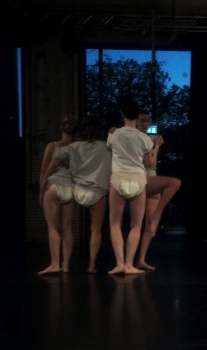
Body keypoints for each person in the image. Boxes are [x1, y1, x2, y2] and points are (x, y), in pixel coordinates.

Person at [41, 117, 112, 274]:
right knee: (95, 229)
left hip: (78, 191)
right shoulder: (106, 147)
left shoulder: (73, 147)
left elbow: (51, 166)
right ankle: (91, 265)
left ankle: (57, 263)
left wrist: (43, 185)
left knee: (58, 226)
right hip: (97, 192)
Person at [106, 101, 154, 275]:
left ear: (123, 115)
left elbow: (111, 150)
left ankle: (119, 264)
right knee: (136, 225)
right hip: (138, 178)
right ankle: (129, 265)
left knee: (115, 223)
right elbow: (149, 163)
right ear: (137, 117)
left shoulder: (114, 134)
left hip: (118, 177)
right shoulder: (145, 138)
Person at [135, 110, 182, 270]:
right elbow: (148, 163)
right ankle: (158, 215)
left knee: (149, 224)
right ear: (136, 122)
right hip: (142, 179)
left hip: (151, 178)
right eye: (142, 121)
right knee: (174, 183)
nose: (146, 124)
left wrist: (156, 146)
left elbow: (152, 165)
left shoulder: (148, 139)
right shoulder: (137, 139)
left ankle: (141, 259)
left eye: (147, 121)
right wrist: (155, 146)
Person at [38, 114, 78, 275]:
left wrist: (41, 191)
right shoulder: (78, 147)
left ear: (61, 127)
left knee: (53, 228)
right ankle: (66, 265)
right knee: (67, 228)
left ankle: (55, 264)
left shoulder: (52, 146)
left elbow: (43, 170)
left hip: (53, 187)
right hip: (70, 188)